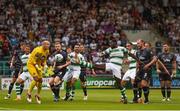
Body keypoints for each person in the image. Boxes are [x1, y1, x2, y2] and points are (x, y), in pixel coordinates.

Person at [93, 39, 140, 104]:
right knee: (121, 83)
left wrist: (138, 61)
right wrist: (99, 54)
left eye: (112, 43)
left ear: (115, 44)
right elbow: (103, 53)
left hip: (123, 68)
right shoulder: (109, 49)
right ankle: (124, 97)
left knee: (126, 83)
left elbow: (130, 54)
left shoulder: (122, 49)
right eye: (110, 43)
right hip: (113, 65)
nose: (110, 45)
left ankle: (133, 97)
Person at [26, 39, 50, 104]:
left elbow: (44, 60)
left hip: (38, 65)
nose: (48, 46)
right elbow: (33, 60)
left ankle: (37, 95)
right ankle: (29, 93)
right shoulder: (37, 50)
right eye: (47, 44)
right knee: (36, 78)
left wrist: (45, 66)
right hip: (31, 64)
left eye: (49, 44)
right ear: (43, 45)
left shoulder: (47, 51)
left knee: (40, 80)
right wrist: (37, 67)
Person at [135, 39, 158, 104]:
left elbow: (155, 59)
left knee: (143, 84)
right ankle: (140, 98)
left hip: (147, 70)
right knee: (139, 85)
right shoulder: (138, 52)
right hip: (140, 70)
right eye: (137, 43)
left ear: (142, 43)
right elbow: (137, 61)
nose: (137, 45)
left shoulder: (148, 50)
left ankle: (146, 100)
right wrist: (136, 70)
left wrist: (148, 65)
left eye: (138, 43)